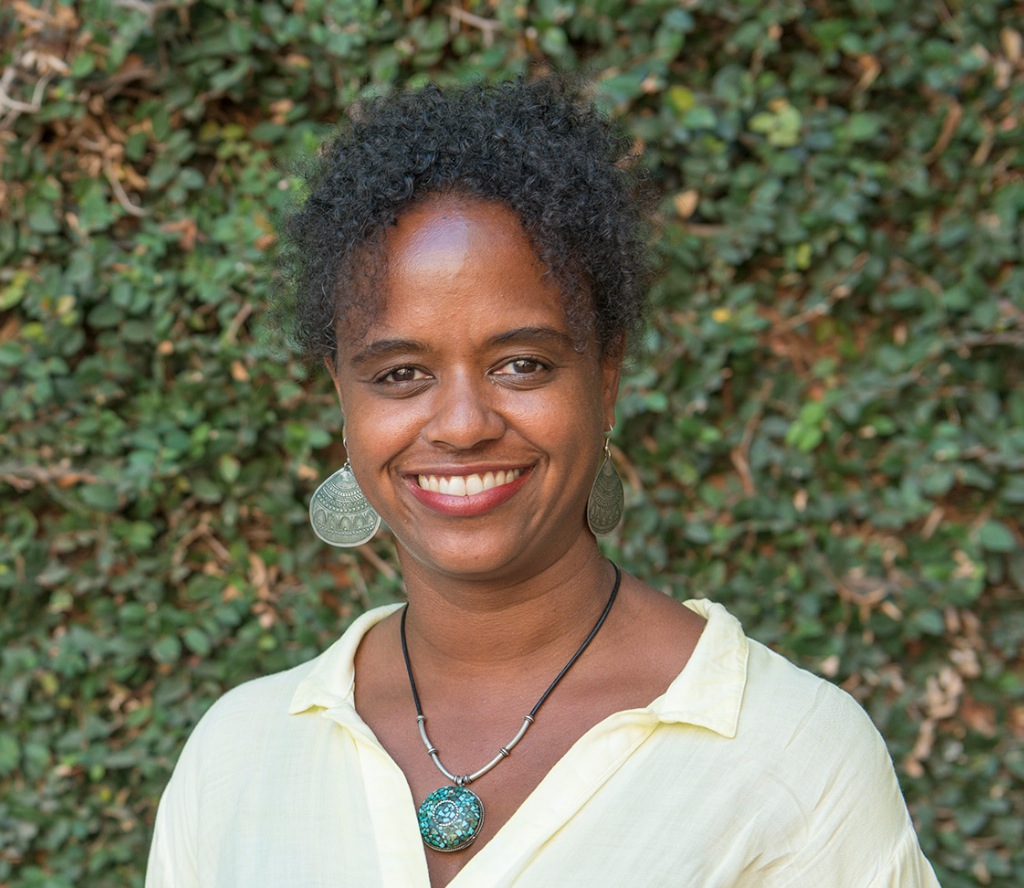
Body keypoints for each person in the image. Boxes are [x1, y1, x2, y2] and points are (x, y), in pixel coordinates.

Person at [146, 77, 940, 887]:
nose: (460, 424)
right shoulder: (239, 753)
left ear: (606, 380)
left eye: (521, 364)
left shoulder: (790, 757)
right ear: (340, 396)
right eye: (399, 373)